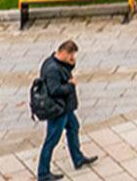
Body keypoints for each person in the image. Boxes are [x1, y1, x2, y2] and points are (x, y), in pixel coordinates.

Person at [34, 39, 97, 180]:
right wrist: (70, 85)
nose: (73, 58)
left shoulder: (56, 63)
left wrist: (71, 65)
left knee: (74, 127)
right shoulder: (53, 70)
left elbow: (66, 71)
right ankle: (43, 173)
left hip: (65, 108)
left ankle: (78, 158)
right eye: (71, 56)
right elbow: (54, 89)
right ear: (63, 53)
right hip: (58, 110)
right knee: (52, 139)